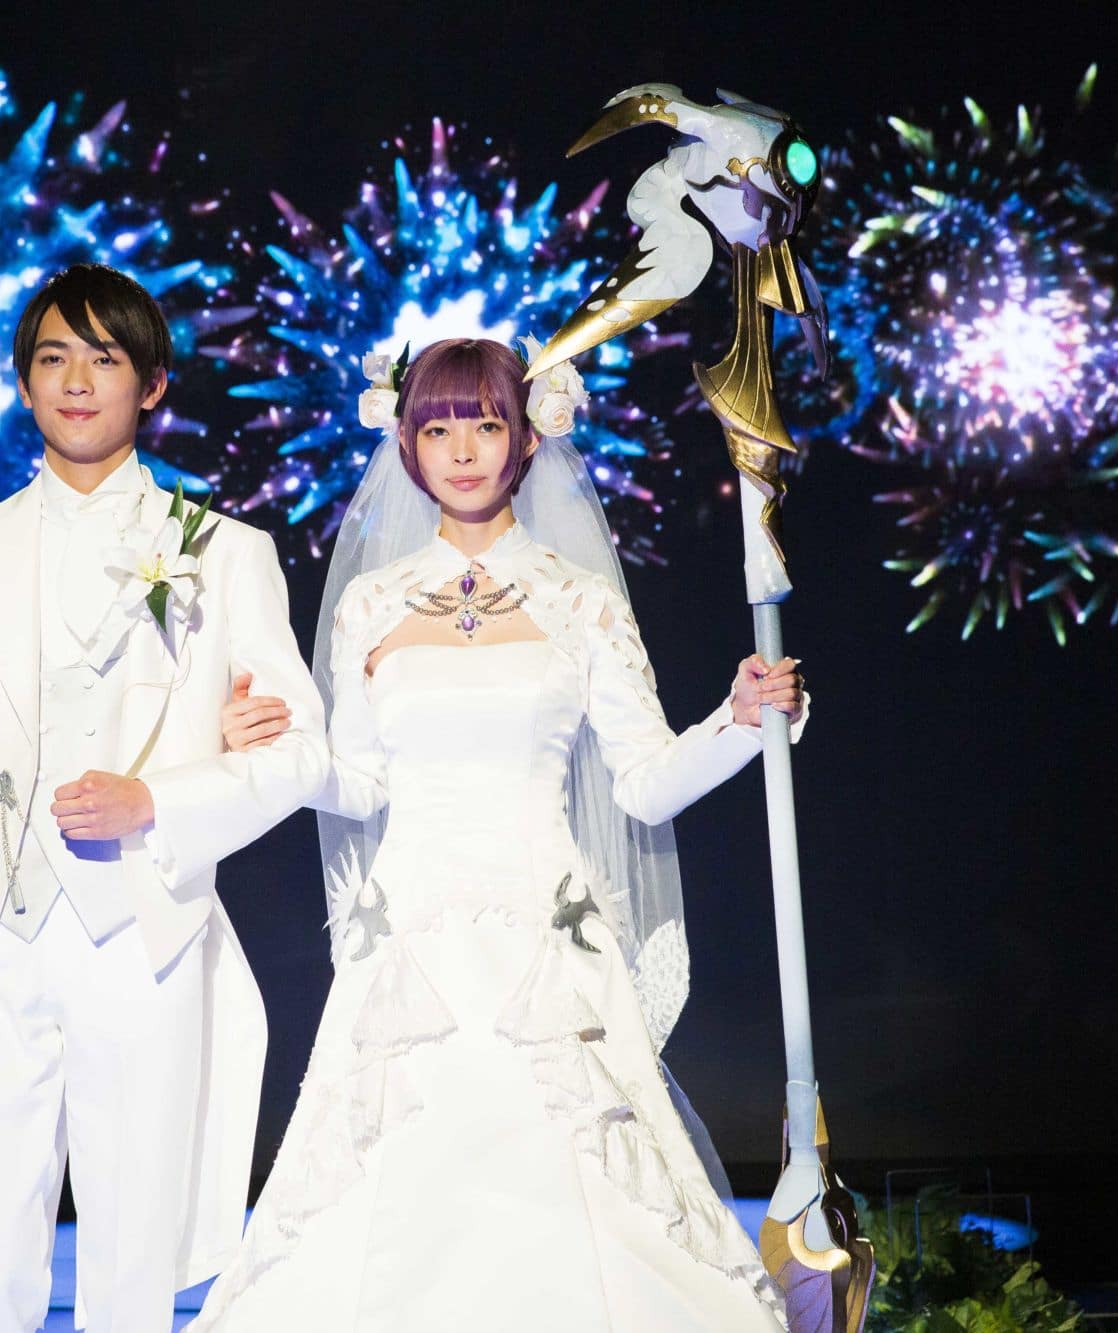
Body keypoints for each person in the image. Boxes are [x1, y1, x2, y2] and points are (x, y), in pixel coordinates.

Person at [192, 337, 805, 1330]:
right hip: (409, 940)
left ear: (527, 437)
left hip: (546, 934)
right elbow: (354, 782)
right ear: (405, 442)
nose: (463, 449)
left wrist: (739, 722)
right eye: (438, 428)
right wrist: (269, 748)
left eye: (485, 423)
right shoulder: (369, 605)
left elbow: (646, 784)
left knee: (586, 1182)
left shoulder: (580, 600)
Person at [0, 264, 330, 1333]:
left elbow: (301, 755)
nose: (75, 382)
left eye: (103, 359)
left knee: (133, 1241)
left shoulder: (225, 553)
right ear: (23, 382)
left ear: (151, 384)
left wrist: (155, 799)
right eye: (53, 358)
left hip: (142, 928)